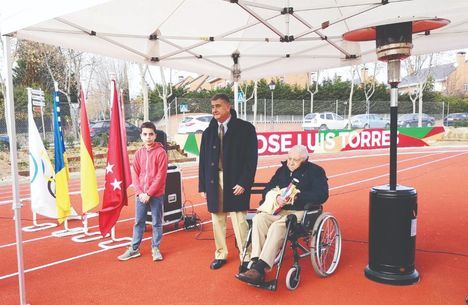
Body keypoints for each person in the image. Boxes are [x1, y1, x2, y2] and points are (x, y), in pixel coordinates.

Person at [236, 145, 328, 285]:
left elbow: (322, 195)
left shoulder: (316, 171)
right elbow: (267, 189)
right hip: (279, 210)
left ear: (305, 160)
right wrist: (276, 197)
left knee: (279, 225)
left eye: (295, 160)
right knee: (259, 218)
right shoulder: (282, 171)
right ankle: (255, 261)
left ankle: (259, 269)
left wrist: (298, 196)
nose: (290, 163)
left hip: (301, 212)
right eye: (289, 158)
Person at [199, 93, 258, 270]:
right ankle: (220, 254)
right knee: (217, 220)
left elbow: (251, 159)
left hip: (236, 180)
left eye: (217, 106)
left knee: (240, 220)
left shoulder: (245, 128)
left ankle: (246, 256)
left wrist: (244, 182)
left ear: (228, 107)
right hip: (213, 180)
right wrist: (203, 185)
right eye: (212, 107)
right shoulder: (208, 131)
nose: (214, 110)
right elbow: (202, 160)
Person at [118, 122, 168, 261]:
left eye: (151, 134)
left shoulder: (161, 153)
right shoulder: (139, 153)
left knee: (157, 222)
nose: (148, 137)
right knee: (139, 221)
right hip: (141, 195)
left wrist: (149, 193)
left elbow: (160, 176)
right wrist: (140, 193)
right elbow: (135, 173)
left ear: (155, 135)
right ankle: (134, 249)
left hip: (156, 194)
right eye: (145, 134)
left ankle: (155, 248)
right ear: (141, 136)